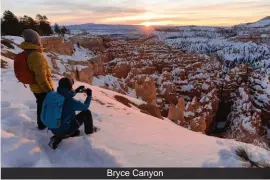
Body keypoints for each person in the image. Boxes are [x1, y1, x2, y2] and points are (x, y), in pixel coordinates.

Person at [19, 29, 54, 130]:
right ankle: (43, 125)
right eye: (38, 39)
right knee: (45, 106)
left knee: (42, 105)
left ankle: (42, 124)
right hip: (41, 88)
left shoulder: (28, 52)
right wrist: (49, 90)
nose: (40, 41)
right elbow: (41, 77)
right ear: (35, 41)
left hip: (35, 87)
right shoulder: (36, 55)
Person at [48, 77, 97, 148]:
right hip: (64, 129)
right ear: (69, 87)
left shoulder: (54, 95)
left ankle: (61, 135)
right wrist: (89, 95)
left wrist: (76, 91)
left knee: (75, 131)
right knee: (87, 113)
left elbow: (66, 93)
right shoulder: (70, 102)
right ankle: (90, 133)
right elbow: (85, 107)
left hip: (52, 127)